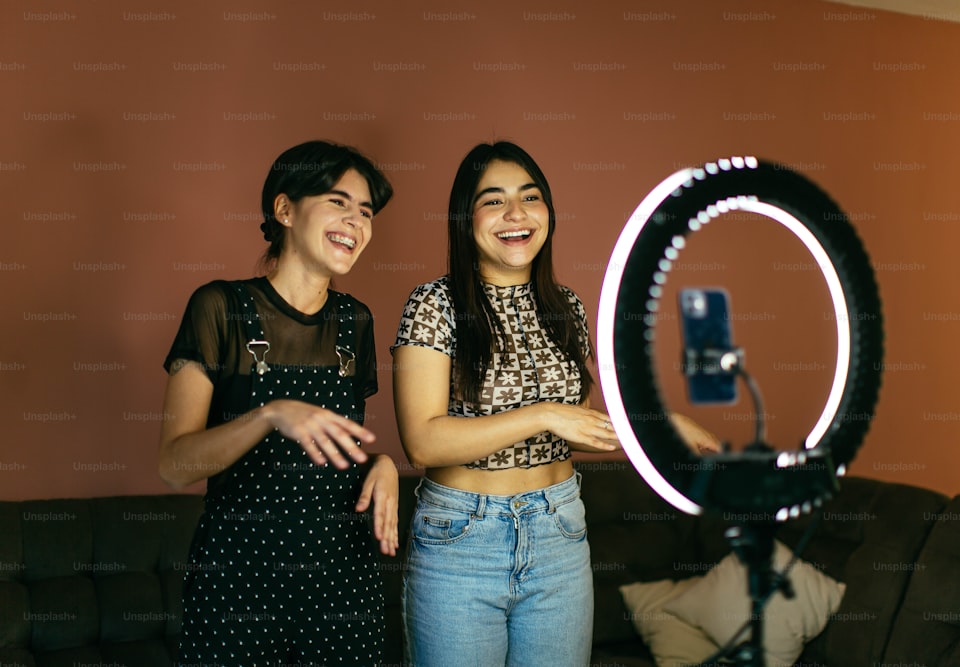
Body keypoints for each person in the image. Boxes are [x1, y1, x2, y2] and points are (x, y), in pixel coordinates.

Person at [391, 140, 718, 667]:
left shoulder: (565, 307)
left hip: (559, 529)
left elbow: (571, 432)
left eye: (530, 197)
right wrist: (541, 413)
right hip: (462, 539)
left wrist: (658, 426)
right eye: (493, 200)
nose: (516, 214)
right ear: (464, 218)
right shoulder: (435, 304)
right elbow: (423, 441)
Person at [159, 140, 399, 667]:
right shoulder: (219, 307)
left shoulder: (355, 321)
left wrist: (380, 465)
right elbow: (175, 464)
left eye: (366, 212)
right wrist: (270, 414)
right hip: (237, 584)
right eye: (338, 202)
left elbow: (337, 452)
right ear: (284, 209)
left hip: (342, 581)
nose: (356, 221)